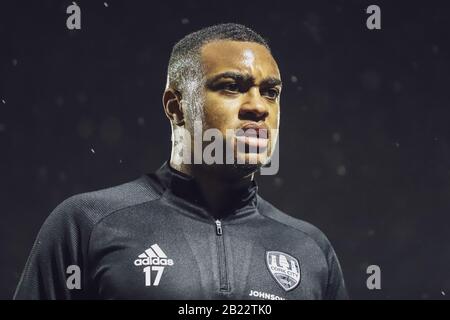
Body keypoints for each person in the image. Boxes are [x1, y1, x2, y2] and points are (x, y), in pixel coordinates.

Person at [14, 23, 348, 300]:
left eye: (270, 92)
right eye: (232, 87)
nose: (258, 107)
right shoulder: (86, 225)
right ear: (175, 106)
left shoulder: (310, 249)